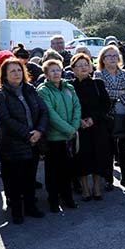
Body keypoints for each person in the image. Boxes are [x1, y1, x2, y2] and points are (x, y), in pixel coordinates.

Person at [0, 57, 49, 224]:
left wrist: (39, 131)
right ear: (4, 75)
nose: (17, 73)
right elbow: (5, 119)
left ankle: (31, 206)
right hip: (12, 144)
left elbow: (43, 111)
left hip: (34, 142)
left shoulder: (30, 89)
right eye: (12, 71)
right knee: (14, 180)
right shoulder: (1, 94)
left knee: (30, 177)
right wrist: (28, 134)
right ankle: (17, 211)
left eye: (19, 70)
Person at [37, 59, 81, 212]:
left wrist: (74, 126)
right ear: (46, 74)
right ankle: (53, 200)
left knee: (67, 170)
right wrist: (69, 129)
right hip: (54, 138)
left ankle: (67, 197)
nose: (56, 73)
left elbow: (77, 106)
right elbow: (50, 114)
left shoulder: (69, 87)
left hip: (69, 136)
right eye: (52, 70)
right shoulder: (43, 90)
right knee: (53, 171)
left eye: (58, 69)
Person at [69, 53, 112, 201]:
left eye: (86, 64)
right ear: (73, 69)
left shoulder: (98, 83)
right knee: (82, 158)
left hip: (97, 126)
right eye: (79, 65)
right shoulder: (70, 86)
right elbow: (69, 107)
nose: (83, 68)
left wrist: (93, 118)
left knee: (98, 156)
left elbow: (106, 104)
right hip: (79, 127)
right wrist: (79, 120)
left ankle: (96, 187)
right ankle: (85, 188)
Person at [94, 45, 125, 188]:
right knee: (108, 150)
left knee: (123, 149)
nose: (112, 58)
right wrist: (119, 93)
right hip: (108, 117)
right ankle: (109, 180)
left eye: (115, 56)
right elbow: (101, 93)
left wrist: (116, 95)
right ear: (103, 59)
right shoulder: (98, 74)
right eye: (109, 56)